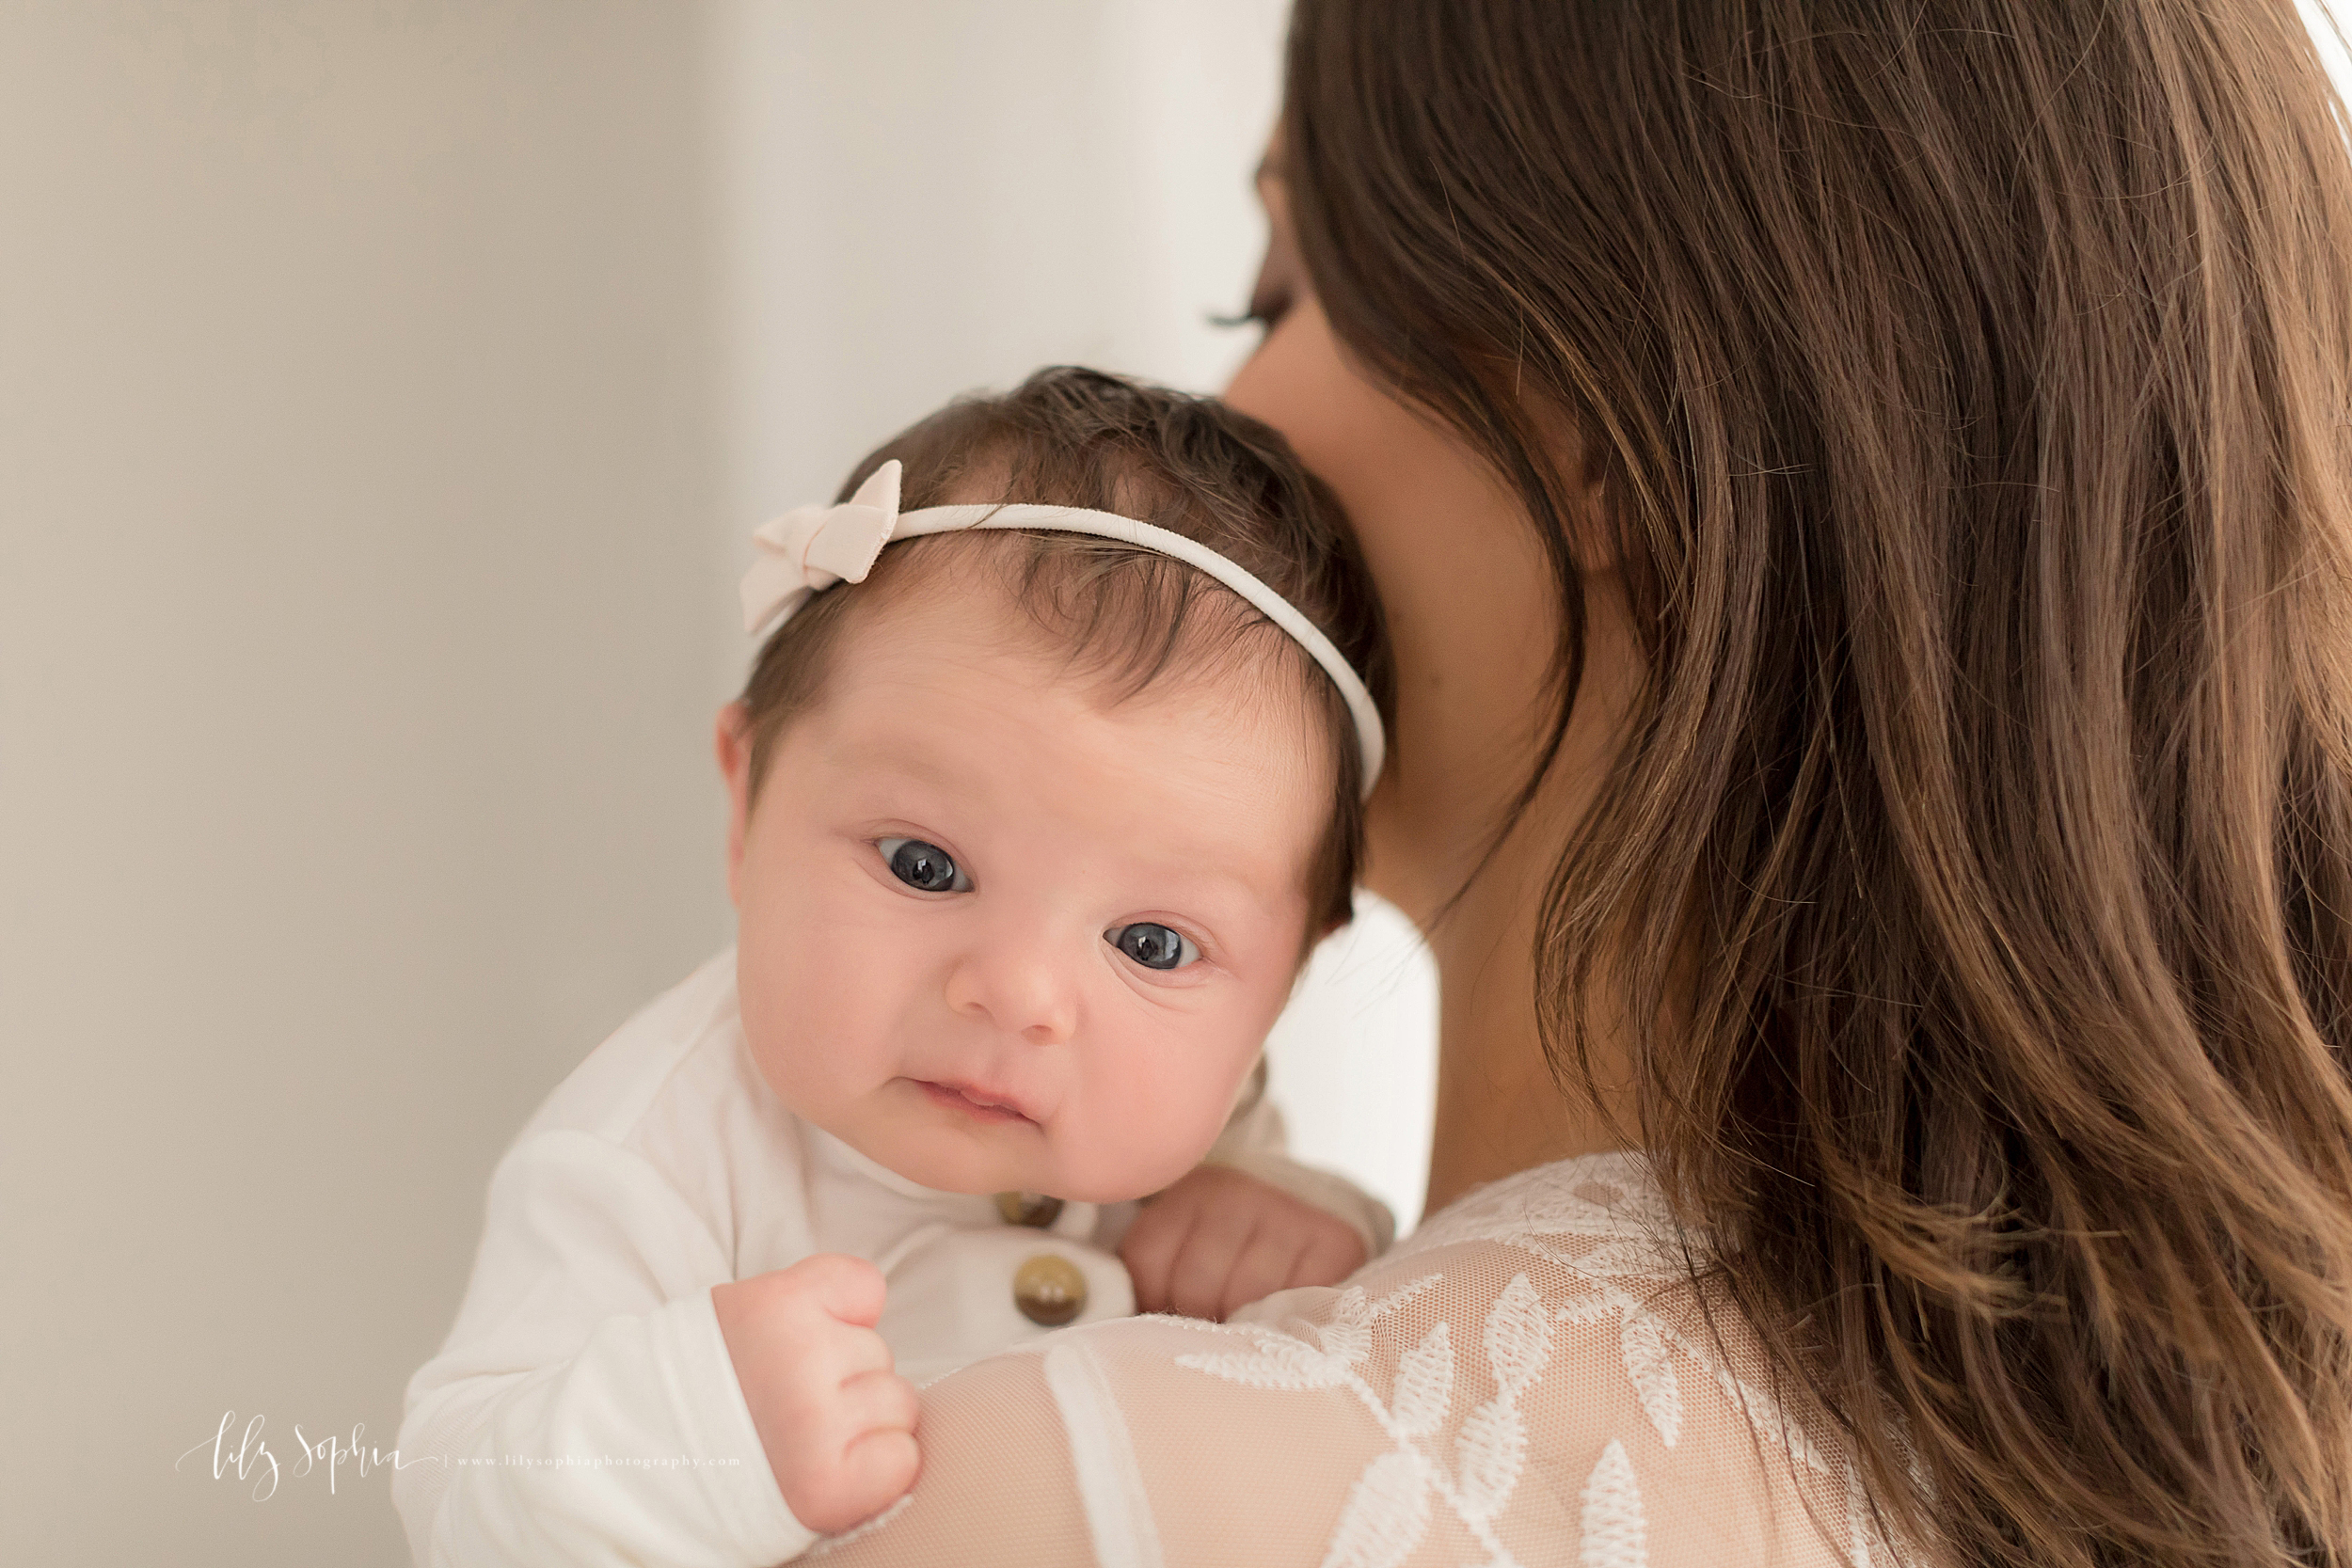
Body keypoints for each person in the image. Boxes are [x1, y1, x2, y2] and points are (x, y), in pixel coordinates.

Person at [806, 3, 2352, 1566]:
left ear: (1613, 441)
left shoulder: (1086, 1489)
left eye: (1274, 294)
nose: (1216, 442)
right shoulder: (2207, 1464)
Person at [390, 368, 1400, 1567]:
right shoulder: (653, 1153)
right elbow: (458, 1492)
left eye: (1151, 945)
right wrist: (696, 1431)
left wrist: (1295, 1213)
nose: (1016, 993)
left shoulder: (1208, 1137)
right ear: (745, 798)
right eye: (924, 864)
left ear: (1284, 983)